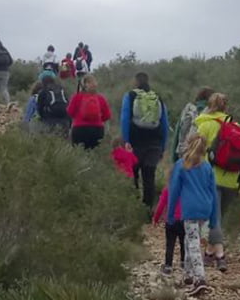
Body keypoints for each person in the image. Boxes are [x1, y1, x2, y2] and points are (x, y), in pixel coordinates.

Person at [192, 92, 240, 271]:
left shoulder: (205, 125)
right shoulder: (236, 125)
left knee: (214, 219)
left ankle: (220, 255)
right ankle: (209, 253)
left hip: (212, 178)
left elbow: (196, 153)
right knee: (218, 217)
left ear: (209, 105)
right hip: (234, 178)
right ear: (226, 106)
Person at [167, 135, 218, 297]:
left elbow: (174, 192)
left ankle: (200, 279)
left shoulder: (181, 165)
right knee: (190, 239)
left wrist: (169, 215)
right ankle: (188, 275)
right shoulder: (207, 167)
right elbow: (214, 193)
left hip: (190, 209)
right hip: (205, 208)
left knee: (193, 243)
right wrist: (215, 217)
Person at [121, 72, 169, 208]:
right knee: (149, 177)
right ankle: (148, 210)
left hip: (135, 142)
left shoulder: (130, 96)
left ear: (136, 82)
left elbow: (124, 119)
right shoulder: (157, 98)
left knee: (133, 175)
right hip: (155, 143)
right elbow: (164, 122)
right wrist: (163, 145)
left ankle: (133, 207)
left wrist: (126, 141)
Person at [153, 176, 186, 277]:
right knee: (184, 242)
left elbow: (161, 205)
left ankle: (168, 266)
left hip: (171, 221)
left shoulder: (168, 189)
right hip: (184, 220)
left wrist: (156, 218)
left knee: (170, 244)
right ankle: (184, 262)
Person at [66, 75, 111, 150]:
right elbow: (107, 116)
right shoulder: (100, 98)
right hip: (97, 130)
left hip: (79, 129)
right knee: (95, 153)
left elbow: (70, 112)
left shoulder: (77, 97)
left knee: (79, 154)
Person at [172, 87, 214, 161]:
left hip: (184, 152)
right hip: (203, 154)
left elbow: (179, 132)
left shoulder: (188, 109)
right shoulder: (213, 112)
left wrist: (175, 155)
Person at [35, 73, 70, 137]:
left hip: (50, 119)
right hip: (64, 119)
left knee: (50, 140)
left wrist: (42, 117)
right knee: (64, 140)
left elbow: (39, 107)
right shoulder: (62, 89)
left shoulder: (44, 91)